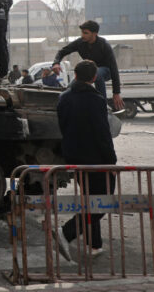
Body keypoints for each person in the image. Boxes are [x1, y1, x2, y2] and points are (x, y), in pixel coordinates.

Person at [54, 59, 117, 261]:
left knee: (91, 198)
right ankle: (66, 232)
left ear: (75, 75)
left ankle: (94, 244)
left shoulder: (64, 97)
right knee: (102, 202)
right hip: (96, 158)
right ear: (94, 77)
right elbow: (103, 134)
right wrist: (111, 161)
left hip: (74, 156)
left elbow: (63, 127)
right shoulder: (96, 100)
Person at [52, 20, 124, 110]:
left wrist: (116, 93)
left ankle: (103, 104)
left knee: (97, 73)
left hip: (105, 71)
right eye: (82, 32)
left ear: (95, 34)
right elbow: (62, 52)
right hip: (88, 71)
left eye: (86, 33)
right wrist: (56, 63)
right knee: (71, 86)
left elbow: (114, 69)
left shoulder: (104, 45)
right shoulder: (80, 42)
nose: (82, 35)